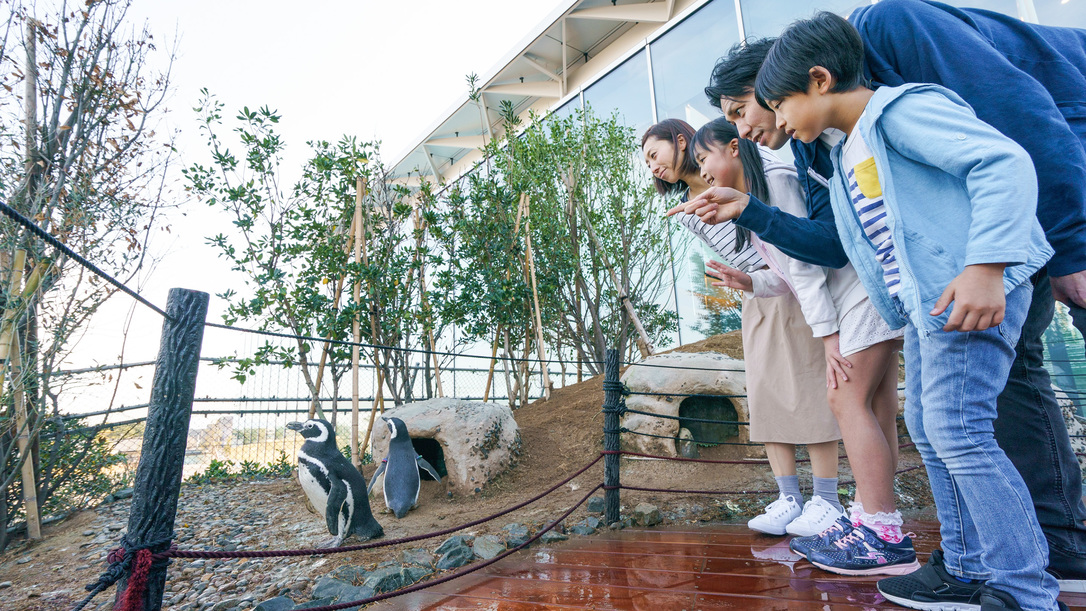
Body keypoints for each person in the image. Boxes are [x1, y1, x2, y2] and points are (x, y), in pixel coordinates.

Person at [704, 6, 1086, 587]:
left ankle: (1028, 575)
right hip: (941, 292)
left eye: (747, 109)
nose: (745, 129)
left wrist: (1069, 246)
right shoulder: (829, 143)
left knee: (967, 421)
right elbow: (844, 242)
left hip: (1058, 153)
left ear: (798, 78)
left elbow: (1016, 131)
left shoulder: (894, 48)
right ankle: (973, 565)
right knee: (936, 425)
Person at [682, 117, 914, 578]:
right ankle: (877, 524)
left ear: (733, 147)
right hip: (850, 298)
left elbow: (806, 267)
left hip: (857, 295)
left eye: (704, 157)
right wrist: (747, 280)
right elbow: (785, 274)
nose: (701, 169)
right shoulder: (749, 205)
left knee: (847, 399)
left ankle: (880, 532)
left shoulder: (776, 183)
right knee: (876, 405)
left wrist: (827, 336)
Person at [642, 118, 843, 538]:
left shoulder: (757, 171)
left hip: (796, 288)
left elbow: (786, 246)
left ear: (681, 141)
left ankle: (827, 498)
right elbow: (751, 255)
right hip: (758, 292)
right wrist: (749, 282)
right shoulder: (687, 208)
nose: (653, 168)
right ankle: (788, 497)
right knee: (766, 397)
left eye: (654, 155)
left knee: (810, 391)